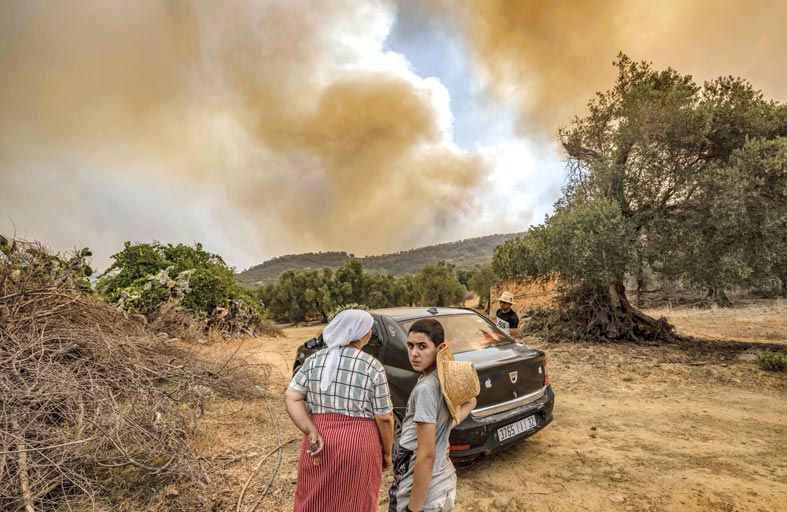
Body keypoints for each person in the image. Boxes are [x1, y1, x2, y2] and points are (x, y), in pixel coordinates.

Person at [285, 309, 394, 512]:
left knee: (316, 497)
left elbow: (292, 396)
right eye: (369, 329)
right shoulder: (372, 367)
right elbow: (384, 417)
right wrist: (387, 452)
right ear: (362, 334)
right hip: (359, 444)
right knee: (356, 499)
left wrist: (310, 430)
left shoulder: (313, 361)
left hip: (320, 441)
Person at [389, 318, 479, 512]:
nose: (414, 354)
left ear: (440, 348)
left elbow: (427, 455)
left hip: (423, 490)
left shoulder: (426, 388)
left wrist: (414, 509)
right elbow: (471, 401)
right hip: (443, 482)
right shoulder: (444, 379)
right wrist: (444, 429)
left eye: (422, 346)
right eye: (410, 346)